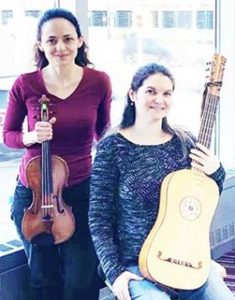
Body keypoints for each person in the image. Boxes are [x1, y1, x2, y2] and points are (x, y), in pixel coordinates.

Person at [89, 63, 234, 300]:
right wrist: (115, 273)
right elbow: (99, 219)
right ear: (133, 94)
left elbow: (202, 198)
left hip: (186, 258)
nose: (160, 99)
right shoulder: (112, 148)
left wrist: (216, 170)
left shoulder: (184, 142)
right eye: (151, 91)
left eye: (167, 93)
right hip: (135, 264)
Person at [3, 8, 111, 300]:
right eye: (51, 40)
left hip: (80, 191)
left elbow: (103, 132)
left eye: (67, 39)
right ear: (40, 44)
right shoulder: (25, 84)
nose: (60, 47)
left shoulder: (98, 81)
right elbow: (8, 135)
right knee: (43, 279)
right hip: (35, 195)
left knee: (81, 279)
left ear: (80, 40)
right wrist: (30, 136)